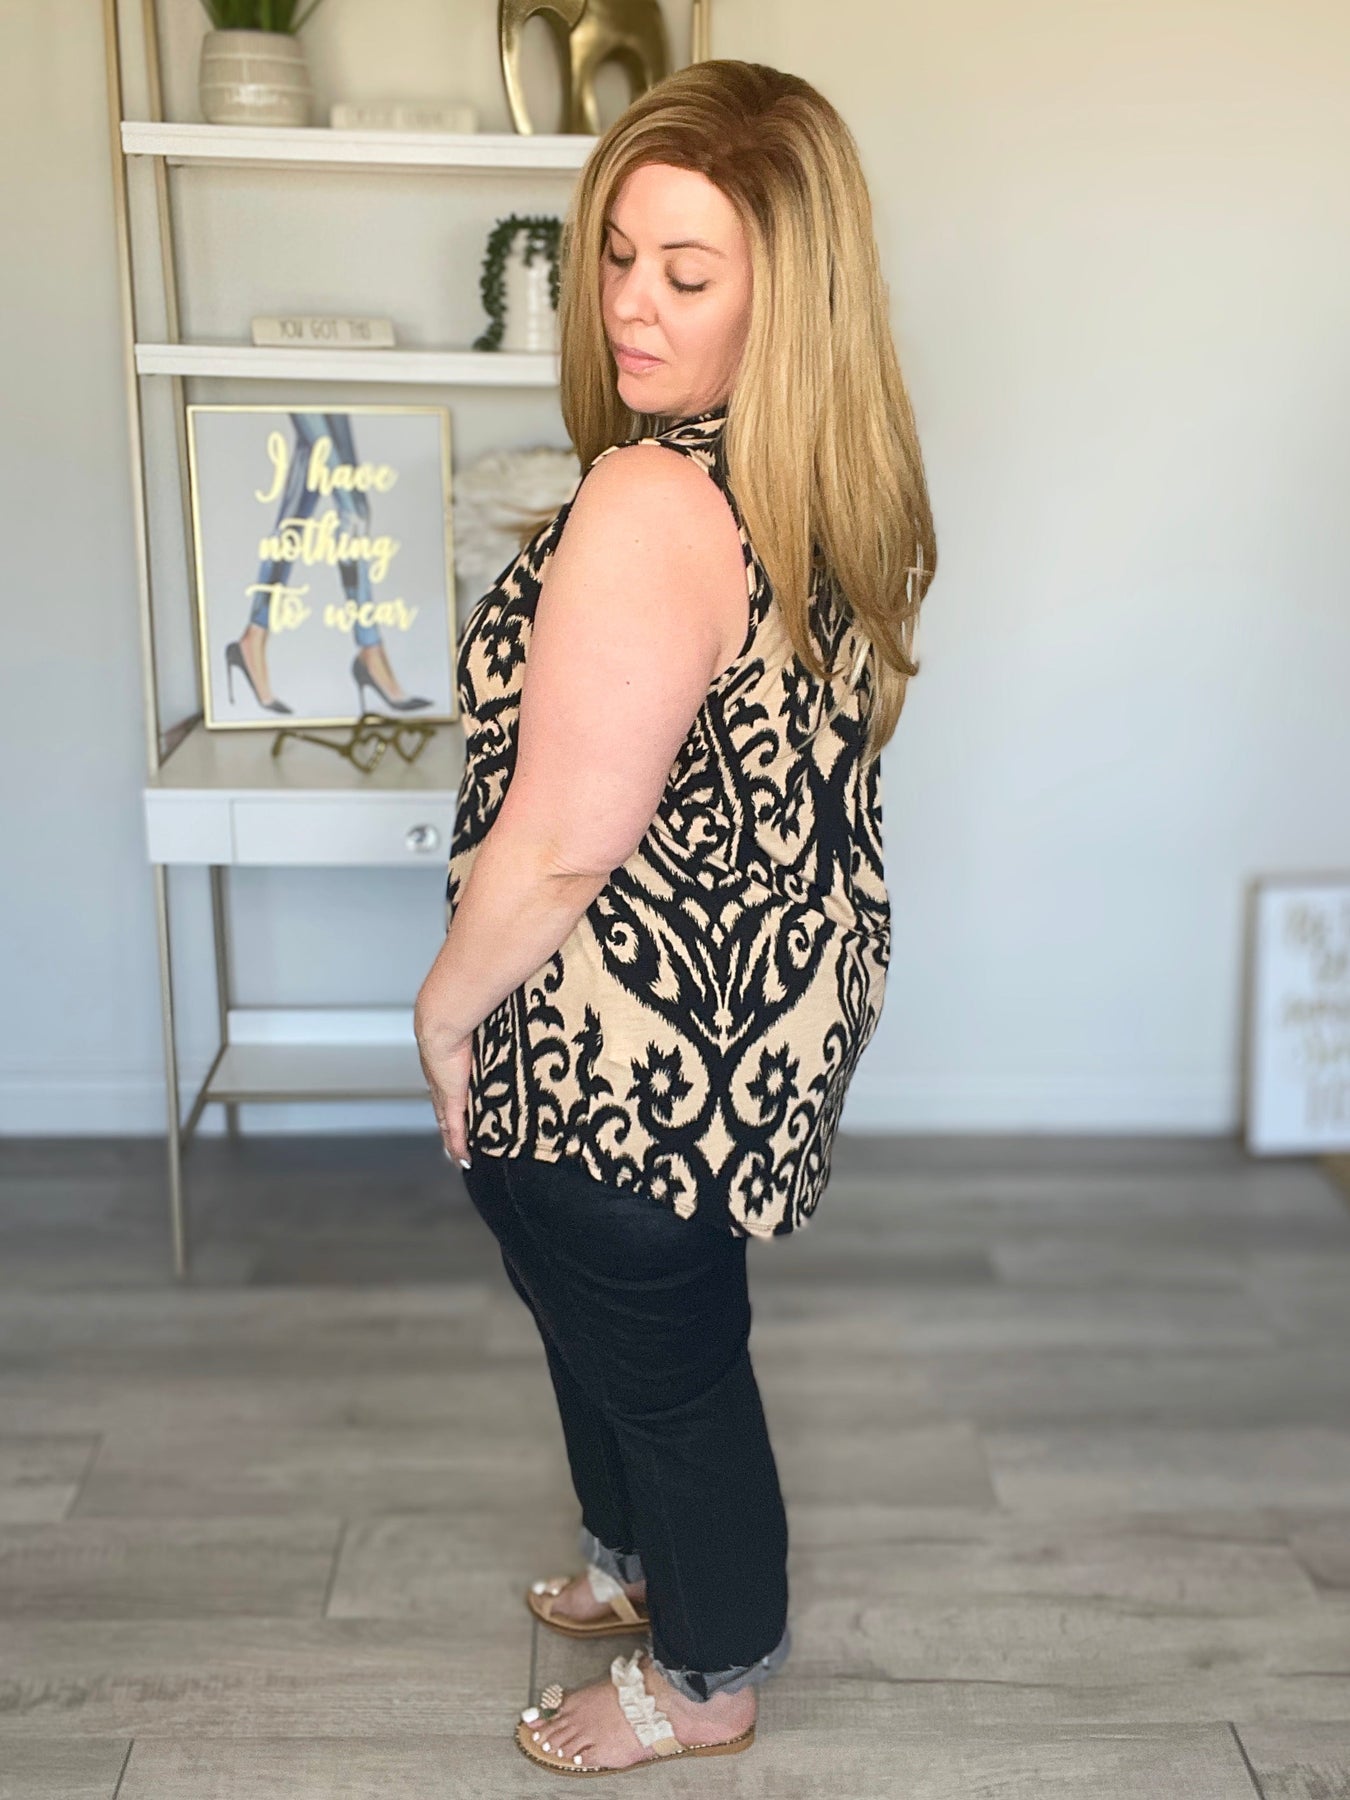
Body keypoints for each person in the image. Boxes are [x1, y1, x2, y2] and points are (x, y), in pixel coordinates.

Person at [414, 58, 936, 1778]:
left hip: (617, 1032)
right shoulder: (809, 482)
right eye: (617, 256)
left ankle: (707, 1674)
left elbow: (567, 843)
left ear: (787, 300)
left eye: (687, 274)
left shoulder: (653, 500)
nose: (631, 304)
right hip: (741, 1016)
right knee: (609, 1317)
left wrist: (442, 1009)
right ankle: (633, 1562)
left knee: (665, 1358)